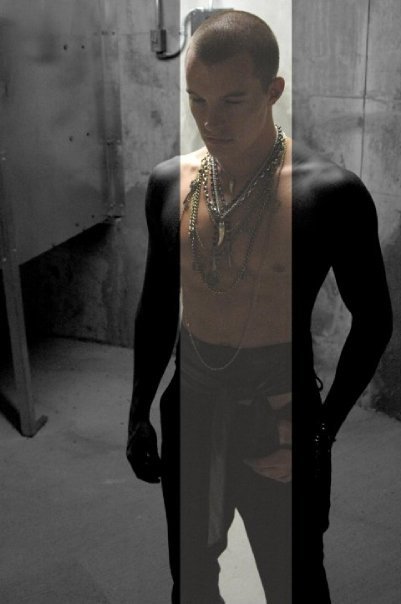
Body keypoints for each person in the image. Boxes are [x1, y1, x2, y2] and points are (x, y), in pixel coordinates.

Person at [126, 10, 392, 604]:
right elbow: (156, 303)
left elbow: (375, 321)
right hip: (192, 403)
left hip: (280, 406)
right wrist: (139, 409)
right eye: (196, 100)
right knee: (192, 576)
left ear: (273, 90)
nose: (209, 121)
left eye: (232, 101)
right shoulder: (169, 183)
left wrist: (321, 431)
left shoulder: (329, 193)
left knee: (294, 576)